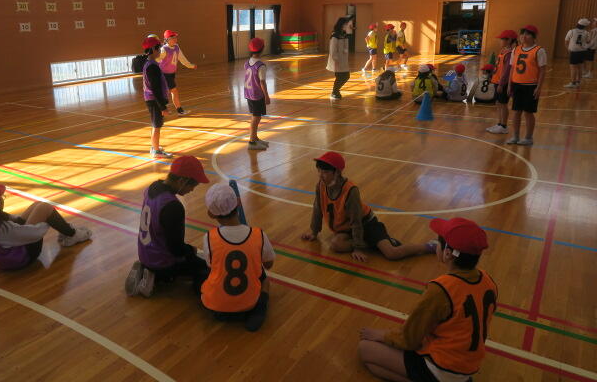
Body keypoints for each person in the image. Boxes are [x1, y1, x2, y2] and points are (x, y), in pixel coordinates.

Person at [359, 217, 496, 382]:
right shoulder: (488, 280)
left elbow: (409, 339)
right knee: (376, 365)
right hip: (468, 367)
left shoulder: (441, 289)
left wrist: (381, 335)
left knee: (365, 349)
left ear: (447, 253)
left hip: (443, 367)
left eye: (438, 243)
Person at [301, 152, 436, 262]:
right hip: (347, 228)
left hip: (367, 224)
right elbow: (318, 208)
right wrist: (314, 231)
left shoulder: (351, 191)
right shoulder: (320, 185)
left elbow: (356, 220)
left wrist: (358, 248)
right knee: (336, 244)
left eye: (325, 172)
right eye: (318, 171)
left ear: (336, 172)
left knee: (392, 253)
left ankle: (430, 246)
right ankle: (370, 243)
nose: (320, 175)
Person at [126, 155, 210, 297]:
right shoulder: (173, 207)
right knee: (205, 267)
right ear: (182, 181)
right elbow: (176, 249)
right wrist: (193, 251)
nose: (192, 190)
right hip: (162, 263)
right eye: (192, 186)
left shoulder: (152, 188)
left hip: (144, 253)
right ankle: (159, 277)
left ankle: (148, 270)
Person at [0, 183, 92, 270]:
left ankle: (69, 232)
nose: (2, 199)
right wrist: (47, 220)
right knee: (45, 208)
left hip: (4, 260)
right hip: (22, 260)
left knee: (37, 205)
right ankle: (73, 235)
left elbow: (14, 221)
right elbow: (34, 234)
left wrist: (30, 217)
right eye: (0, 197)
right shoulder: (2, 228)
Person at [201, 183, 275, 332]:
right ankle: (260, 309)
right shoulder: (258, 234)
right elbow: (268, 264)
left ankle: (222, 303)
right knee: (265, 280)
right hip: (249, 305)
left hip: (217, 309)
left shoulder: (209, 237)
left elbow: (211, 266)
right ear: (239, 202)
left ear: (211, 214)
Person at [507, 25, 547, 146]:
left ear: (534, 37)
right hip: (517, 85)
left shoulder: (539, 50)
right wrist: (509, 84)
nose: (524, 36)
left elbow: (542, 71)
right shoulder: (516, 49)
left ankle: (528, 138)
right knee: (516, 111)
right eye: (522, 34)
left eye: (528, 34)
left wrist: (539, 87)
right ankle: (515, 136)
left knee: (528, 112)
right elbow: (512, 68)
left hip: (531, 86)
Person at [142, 35, 172, 159]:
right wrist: (163, 107)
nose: (160, 50)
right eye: (158, 48)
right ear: (153, 49)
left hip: (152, 100)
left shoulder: (150, 63)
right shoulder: (152, 66)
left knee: (156, 124)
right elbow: (155, 89)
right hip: (154, 100)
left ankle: (154, 147)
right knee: (157, 125)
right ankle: (156, 151)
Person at [156, 29, 196, 116]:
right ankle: (177, 110)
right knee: (173, 91)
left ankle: (163, 111)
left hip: (171, 74)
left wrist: (190, 65)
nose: (175, 39)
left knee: (168, 92)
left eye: (175, 37)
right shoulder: (164, 49)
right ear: (167, 39)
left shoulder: (177, 47)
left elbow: (182, 58)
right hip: (164, 74)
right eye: (173, 38)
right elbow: (157, 59)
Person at [487, 30, 518, 134]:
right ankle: (499, 123)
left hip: (503, 83)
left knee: (503, 104)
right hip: (497, 81)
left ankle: (504, 126)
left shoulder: (510, 53)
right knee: (498, 103)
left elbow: (506, 71)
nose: (499, 41)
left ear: (509, 40)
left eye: (502, 39)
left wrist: (501, 84)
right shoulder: (503, 51)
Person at [245, 37, 271, 150]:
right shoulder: (261, 66)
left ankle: (255, 138)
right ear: (262, 49)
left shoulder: (247, 62)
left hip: (249, 93)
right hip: (256, 95)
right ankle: (251, 141)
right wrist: (267, 96)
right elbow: (262, 82)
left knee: (257, 116)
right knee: (256, 118)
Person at [327, 15, 355, 100]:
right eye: (346, 24)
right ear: (342, 25)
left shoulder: (344, 34)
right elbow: (333, 50)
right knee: (340, 77)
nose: (347, 26)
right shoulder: (335, 36)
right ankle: (334, 92)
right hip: (337, 61)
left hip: (343, 61)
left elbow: (345, 47)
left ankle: (335, 91)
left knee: (346, 76)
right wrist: (336, 60)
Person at [564, 18, 591, 88]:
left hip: (574, 52)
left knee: (573, 68)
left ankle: (573, 83)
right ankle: (578, 82)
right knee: (580, 67)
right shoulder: (586, 33)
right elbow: (588, 41)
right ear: (584, 26)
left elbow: (566, 41)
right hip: (583, 52)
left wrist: (568, 49)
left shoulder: (571, 31)